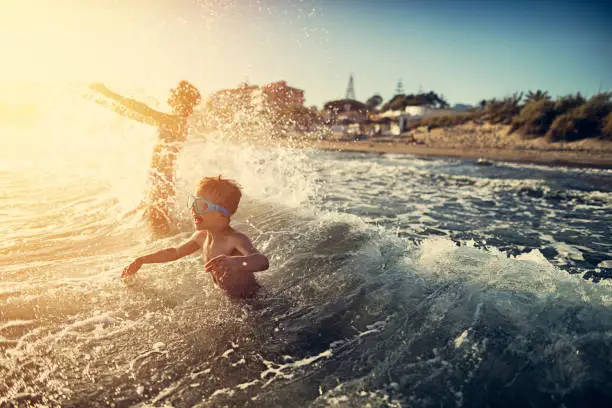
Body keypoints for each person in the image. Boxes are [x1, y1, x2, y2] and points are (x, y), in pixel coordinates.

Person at [122, 176, 269, 298]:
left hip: (253, 299)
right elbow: (175, 252)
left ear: (221, 213)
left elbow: (261, 261)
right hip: (231, 300)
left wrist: (235, 262)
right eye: (193, 202)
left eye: (200, 205)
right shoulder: (201, 236)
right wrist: (142, 260)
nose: (193, 209)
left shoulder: (234, 240)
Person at [89, 80, 201, 236]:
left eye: (175, 91)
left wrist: (108, 94)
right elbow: (136, 113)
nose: (171, 92)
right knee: (157, 226)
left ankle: (172, 252)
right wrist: (104, 101)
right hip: (159, 180)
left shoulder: (175, 121)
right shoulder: (175, 121)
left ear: (182, 99)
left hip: (161, 182)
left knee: (160, 230)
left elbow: (143, 111)